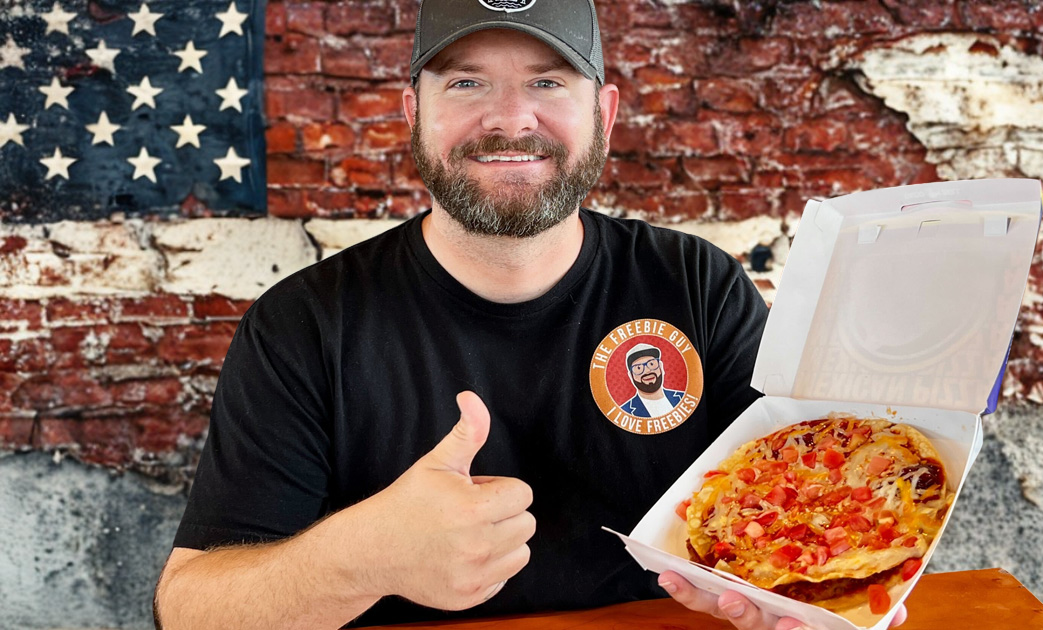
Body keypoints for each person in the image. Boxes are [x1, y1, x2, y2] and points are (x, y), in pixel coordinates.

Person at [152, 0, 910, 629]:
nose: (511, 119)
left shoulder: (696, 284)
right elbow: (187, 609)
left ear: (604, 112)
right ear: (413, 112)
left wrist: (804, 593)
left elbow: (805, 494)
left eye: (547, 82)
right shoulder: (304, 325)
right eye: (466, 83)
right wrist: (362, 557)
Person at [620, 343, 686, 418]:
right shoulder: (625, 413)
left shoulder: (683, 399)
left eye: (651, 364)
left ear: (661, 367)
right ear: (630, 376)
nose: (647, 371)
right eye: (638, 368)